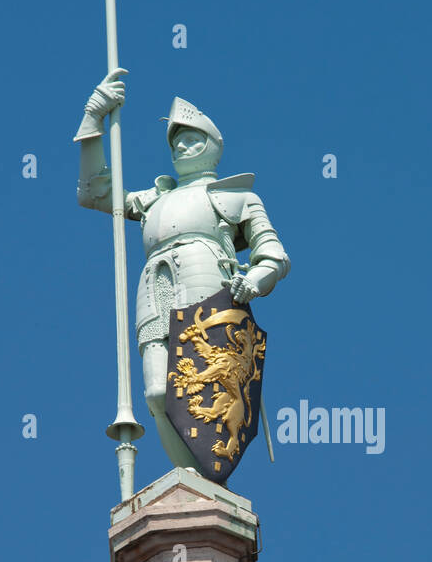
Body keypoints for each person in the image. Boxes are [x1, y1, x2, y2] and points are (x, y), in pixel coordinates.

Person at [75, 68, 290, 470]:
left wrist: (255, 281)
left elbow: (274, 254)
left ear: (213, 146)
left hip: (207, 278)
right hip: (154, 282)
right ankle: (188, 473)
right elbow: (94, 192)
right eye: (177, 142)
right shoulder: (155, 199)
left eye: (193, 139)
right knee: (157, 392)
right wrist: (94, 118)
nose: (183, 148)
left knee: (204, 387)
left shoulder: (237, 197)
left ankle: (206, 476)